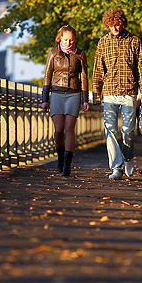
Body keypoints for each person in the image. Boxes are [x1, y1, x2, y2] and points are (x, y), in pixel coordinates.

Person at [92, 8, 142, 180]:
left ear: (122, 23)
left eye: (117, 24)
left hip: (129, 93)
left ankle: (128, 157)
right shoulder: (102, 43)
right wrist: (96, 94)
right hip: (109, 92)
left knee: (128, 131)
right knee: (110, 130)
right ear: (107, 25)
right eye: (111, 25)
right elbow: (97, 70)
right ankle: (116, 167)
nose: (115, 28)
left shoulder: (134, 41)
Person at [41, 25, 90, 177]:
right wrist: (45, 99)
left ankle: (67, 166)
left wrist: (85, 99)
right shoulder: (53, 53)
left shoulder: (80, 54)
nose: (69, 43)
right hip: (56, 93)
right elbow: (47, 76)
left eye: (71, 40)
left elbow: (84, 77)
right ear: (60, 39)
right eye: (66, 39)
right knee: (59, 130)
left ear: (75, 40)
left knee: (69, 129)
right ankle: (60, 157)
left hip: (74, 94)